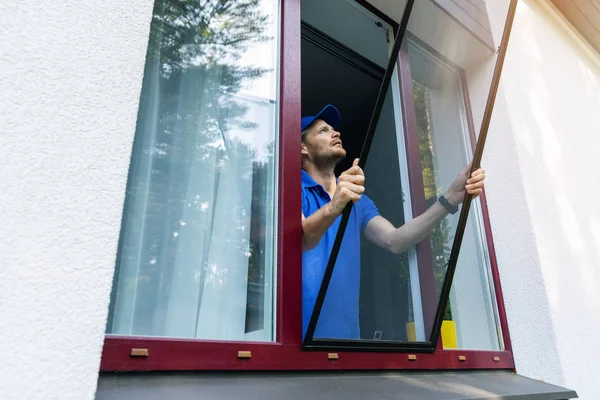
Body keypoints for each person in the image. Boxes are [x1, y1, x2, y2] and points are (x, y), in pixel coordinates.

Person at [301, 104, 486, 340]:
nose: (335, 133)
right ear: (303, 147)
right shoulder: (292, 189)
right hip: (300, 343)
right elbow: (302, 237)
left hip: (346, 343)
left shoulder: (358, 201)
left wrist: (450, 197)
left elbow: (395, 240)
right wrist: (334, 206)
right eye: (323, 131)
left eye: (334, 129)